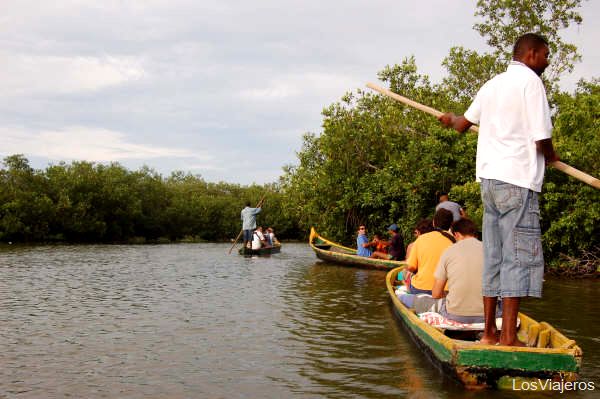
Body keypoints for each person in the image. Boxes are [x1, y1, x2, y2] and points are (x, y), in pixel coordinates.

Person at [438, 33, 559, 346]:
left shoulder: (492, 84)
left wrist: (449, 119)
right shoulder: (531, 83)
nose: (547, 61)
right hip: (518, 180)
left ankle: (490, 332)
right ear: (531, 54)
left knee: (494, 256)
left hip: (490, 182)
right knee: (518, 257)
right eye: (545, 55)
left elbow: (462, 124)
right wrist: (552, 155)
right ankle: (508, 336)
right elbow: (541, 136)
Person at [403, 209, 455, 295]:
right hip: (446, 291)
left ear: (434, 223)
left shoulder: (421, 239)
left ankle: (407, 291)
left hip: (421, 288)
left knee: (405, 272)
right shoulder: (455, 241)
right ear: (451, 224)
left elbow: (410, 267)